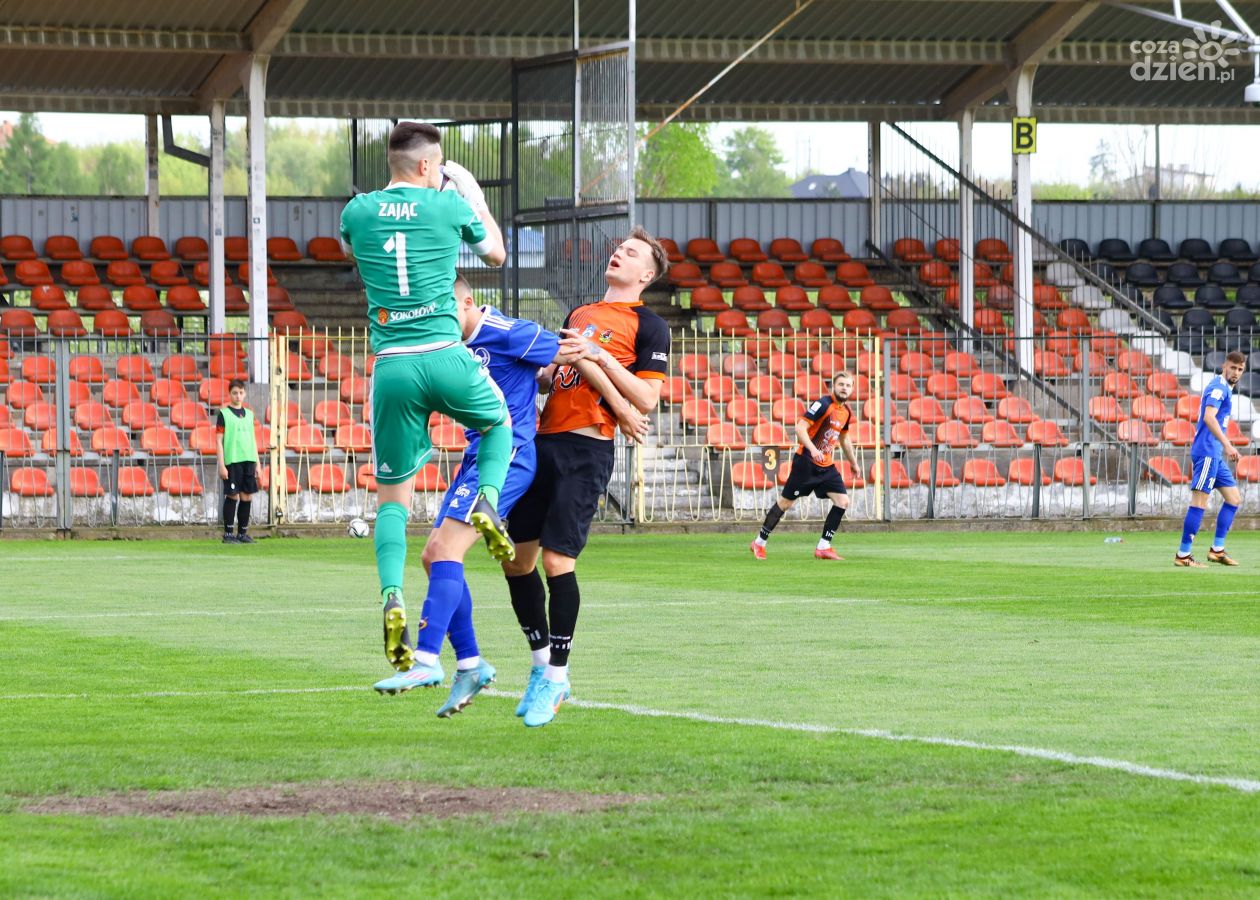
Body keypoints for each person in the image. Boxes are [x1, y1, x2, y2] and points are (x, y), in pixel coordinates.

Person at [371, 276, 636, 716]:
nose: (437, 320)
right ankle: (470, 663)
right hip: (475, 455)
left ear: (467, 303)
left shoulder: (510, 331)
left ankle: (427, 658)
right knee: (432, 557)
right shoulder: (446, 345)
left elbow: (574, 353)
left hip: (509, 453)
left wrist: (621, 405)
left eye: (444, 310)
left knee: (448, 552)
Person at [339, 121, 516, 675]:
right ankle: (487, 500)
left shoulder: (358, 211)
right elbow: (497, 254)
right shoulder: (447, 206)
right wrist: (473, 198)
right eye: (436, 166)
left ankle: (392, 594)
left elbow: (353, 250)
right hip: (444, 352)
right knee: (498, 424)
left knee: (392, 501)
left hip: (393, 367)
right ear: (425, 166)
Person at [501, 227, 670, 727]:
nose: (619, 253)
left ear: (646, 274)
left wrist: (598, 356)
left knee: (557, 561)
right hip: (543, 443)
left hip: (587, 449)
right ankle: (540, 666)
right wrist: (534, 368)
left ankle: (558, 675)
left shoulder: (650, 326)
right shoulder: (579, 314)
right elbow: (555, 376)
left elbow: (646, 398)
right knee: (516, 561)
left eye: (631, 252)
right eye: (618, 248)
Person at [750, 371, 860, 562]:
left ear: (852, 389)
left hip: (826, 466)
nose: (844, 388)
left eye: (848, 385)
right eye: (841, 384)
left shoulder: (846, 412)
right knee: (786, 503)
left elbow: (844, 438)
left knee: (843, 501)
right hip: (806, 463)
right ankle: (759, 542)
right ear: (833, 386)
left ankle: (823, 547)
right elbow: (800, 428)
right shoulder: (823, 404)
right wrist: (813, 449)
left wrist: (854, 462)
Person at [1175, 350, 1246, 567]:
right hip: (1207, 452)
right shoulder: (1218, 388)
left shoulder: (1225, 388)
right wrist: (1228, 445)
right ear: (1224, 366)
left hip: (1214, 454)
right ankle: (1183, 555)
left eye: (1240, 369)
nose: (1236, 372)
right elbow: (1209, 417)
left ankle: (1217, 550)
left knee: (1234, 498)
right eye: (1233, 367)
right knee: (1199, 502)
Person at [215, 379, 259, 544]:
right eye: (234, 393)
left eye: (240, 393)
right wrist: (222, 465)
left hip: (248, 460)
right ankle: (228, 534)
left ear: (244, 394)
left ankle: (242, 533)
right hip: (232, 460)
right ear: (229, 394)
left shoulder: (249, 414)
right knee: (232, 495)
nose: (238, 396)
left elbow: (252, 439)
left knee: (246, 496)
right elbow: (219, 440)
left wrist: (257, 463)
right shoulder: (223, 414)